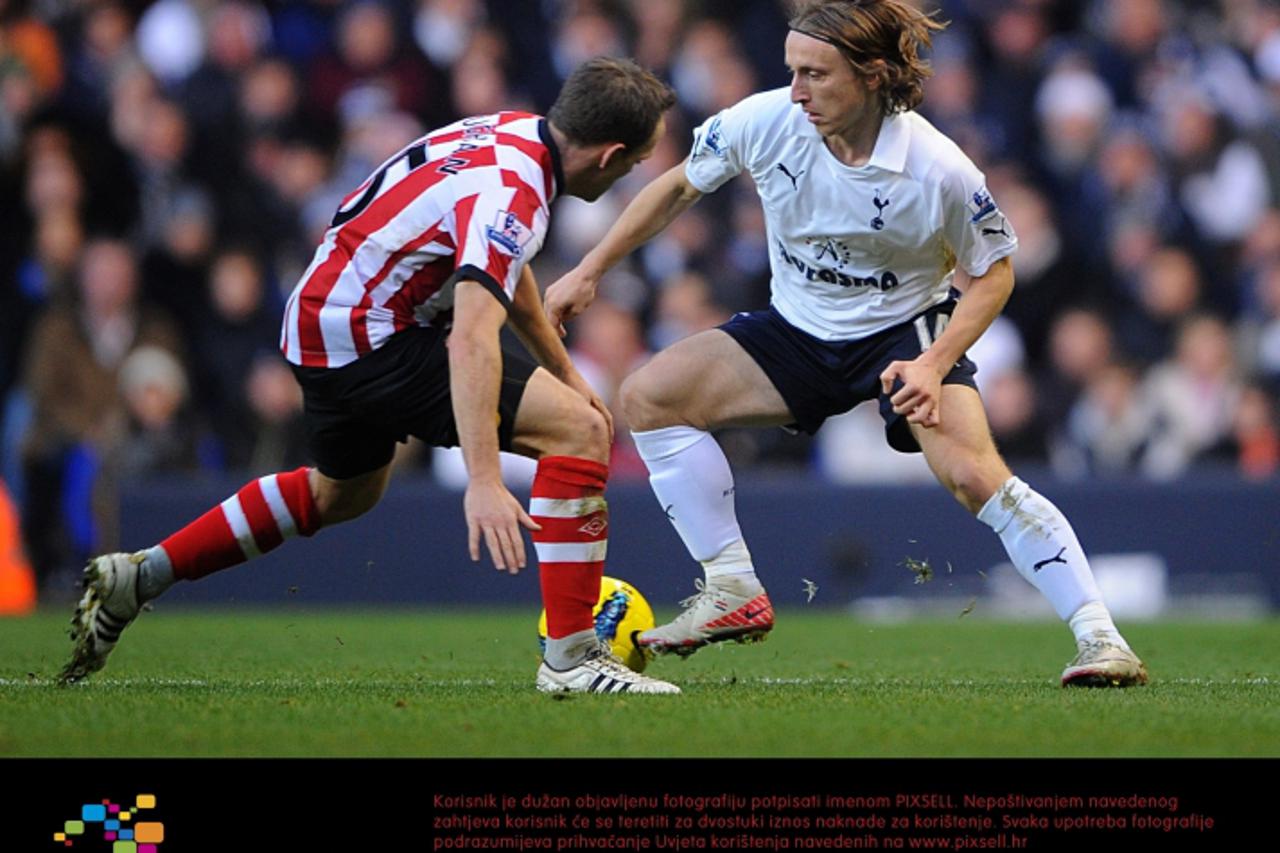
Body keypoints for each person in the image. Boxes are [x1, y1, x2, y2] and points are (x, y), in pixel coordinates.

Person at [546, 1, 1147, 687]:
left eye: (816, 75)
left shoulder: (937, 168)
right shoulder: (767, 120)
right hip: (798, 330)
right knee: (649, 396)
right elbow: (678, 186)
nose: (798, 91)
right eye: (792, 71)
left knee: (976, 476)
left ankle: (1102, 637)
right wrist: (589, 270)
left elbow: (994, 272)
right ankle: (732, 587)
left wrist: (935, 360)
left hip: (902, 334)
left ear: (872, 75)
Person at [61, 58, 682, 695]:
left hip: (320, 321)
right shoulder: (516, 194)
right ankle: (573, 659)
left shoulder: (511, 134)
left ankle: (138, 578)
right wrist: (485, 478)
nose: (631, 174)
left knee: (344, 494)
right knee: (578, 433)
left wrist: (565, 372)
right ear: (610, 155)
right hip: (370, 335)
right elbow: (470, 338)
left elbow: (504, 266)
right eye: (635, 164)